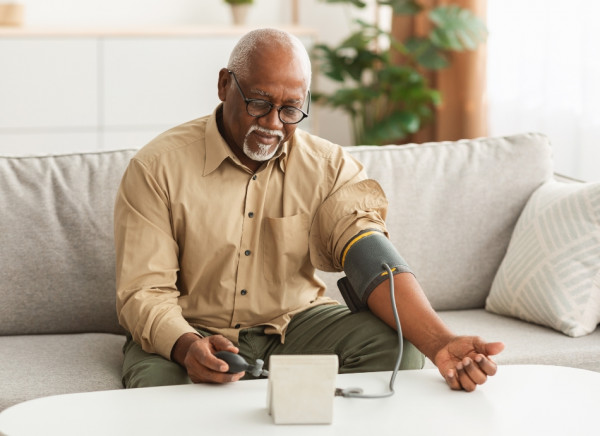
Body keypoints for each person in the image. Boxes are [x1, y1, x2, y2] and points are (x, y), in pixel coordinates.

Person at [114, 28, 504, 393]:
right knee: (157, 389)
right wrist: (185, 346)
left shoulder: (330, 167)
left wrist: (441, 341)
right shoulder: (157, 168)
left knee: (396, 346)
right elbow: (143, 292)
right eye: (259, 103)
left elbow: (370, 258)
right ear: (223, 85)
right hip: (191, 327)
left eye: (290, 109)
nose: (272, 123)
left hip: (293, 325)